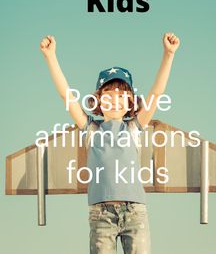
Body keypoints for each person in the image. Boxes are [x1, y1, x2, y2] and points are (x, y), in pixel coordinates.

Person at [40, 32, 180, 253]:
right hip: (101, 215)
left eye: (121, 97)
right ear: (98, 101)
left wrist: (168, 55)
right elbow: (66, 95)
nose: (115, 101)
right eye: (108, 96)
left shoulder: (133, 128)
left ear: (130, 103)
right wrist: (50, 57)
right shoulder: (92, 130)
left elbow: (157, 93)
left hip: (135, 213)